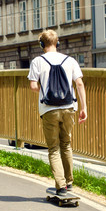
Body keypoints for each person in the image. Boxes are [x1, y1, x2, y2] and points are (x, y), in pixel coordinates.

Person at [27, 29, 87, 196]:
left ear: (41, 44)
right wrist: (84, 108)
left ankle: (60, 186)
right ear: (57, 43)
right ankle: (69, 182)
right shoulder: (70, 60)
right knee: (66, 145)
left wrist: (45, 91)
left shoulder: (37, 61)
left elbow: (33, 86)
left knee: (54, 148)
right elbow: (80, 84)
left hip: (49, 109)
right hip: (69, 108)